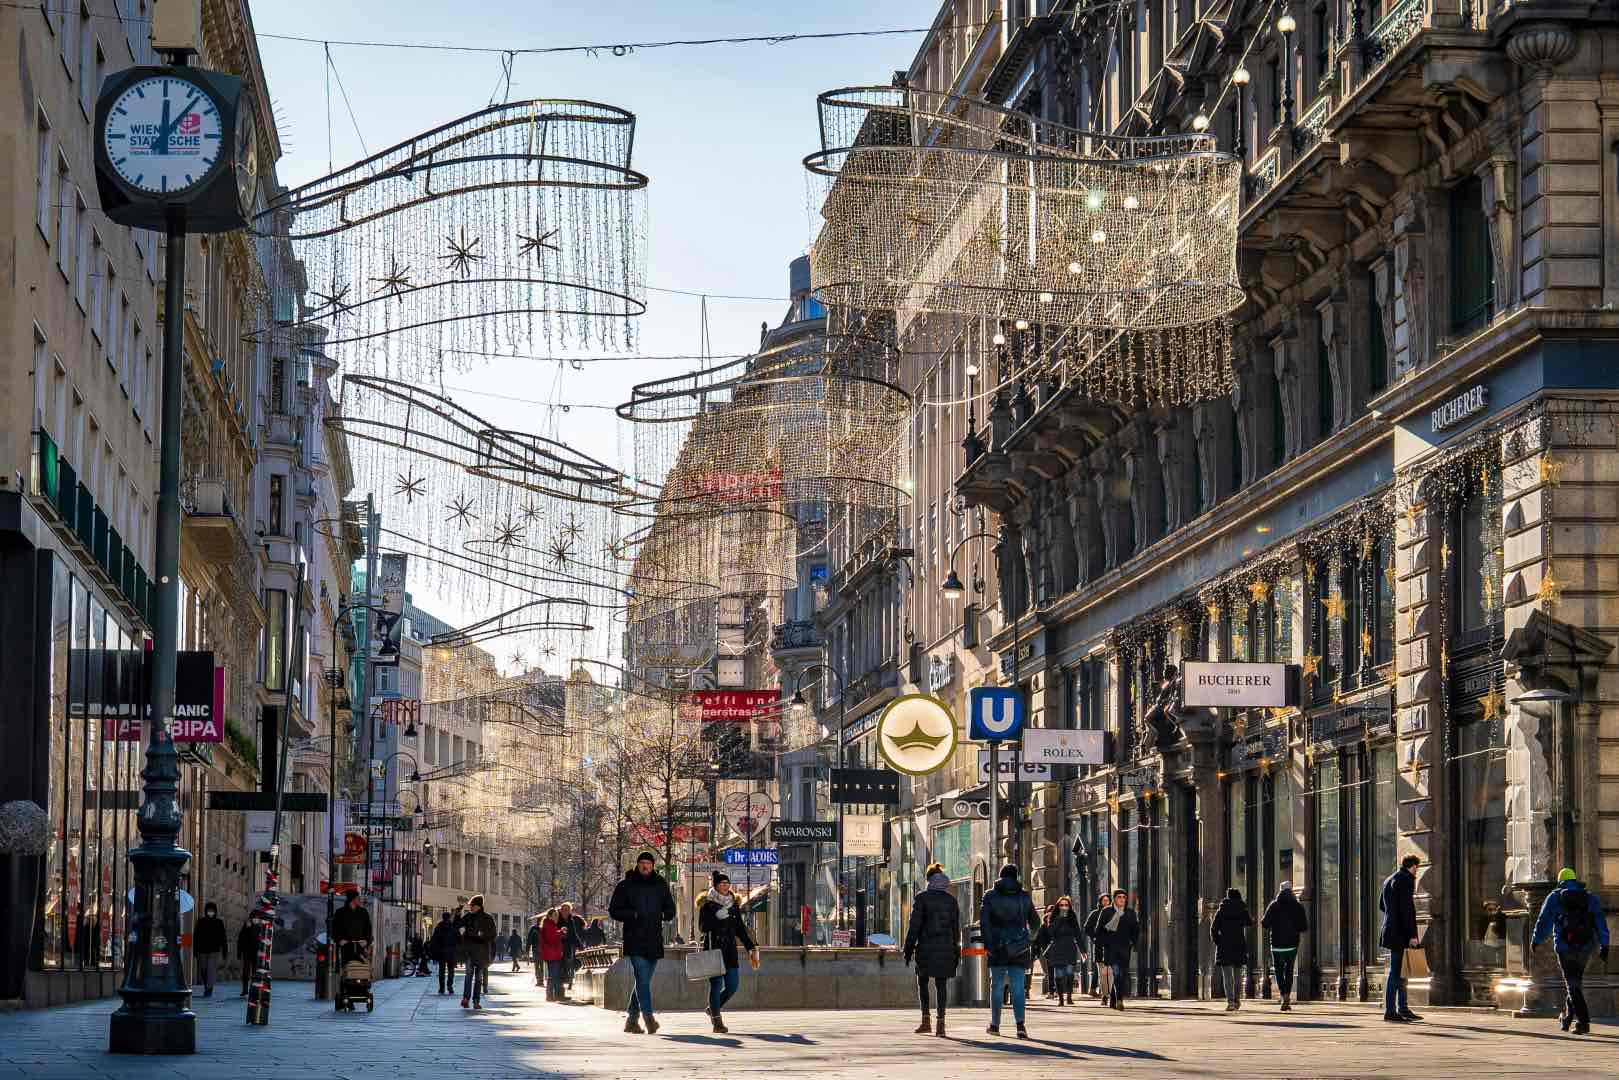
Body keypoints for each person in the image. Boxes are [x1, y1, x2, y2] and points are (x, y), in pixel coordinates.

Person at [1532, 867, 1611, 1035]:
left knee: (1572, 985)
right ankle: (1567, 1018)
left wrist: (1536, 940)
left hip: (1564, 947)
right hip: (1586, 947)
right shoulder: (1590, 897)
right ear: (1575, 880)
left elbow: (1543, 921)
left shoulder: (1554, 897)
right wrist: (1604, 944)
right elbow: (1600, 922)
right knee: (1575, 983)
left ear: (1560, 881)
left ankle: (1583, 1022)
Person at [608, 851, 676, 1034]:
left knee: (642, 981)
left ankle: (631, 1020)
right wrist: (633, 914)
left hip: (654, 938)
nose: (645, 866)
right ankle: (649, 1018)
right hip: (634, 939)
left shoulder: (660, 884)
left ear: (653, 865)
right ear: (637, 865)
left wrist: (662, 915)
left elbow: (671, 909)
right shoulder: (625, 885)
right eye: (642, 863)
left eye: (648, 863)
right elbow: (614, 910)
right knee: (643, 979)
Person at [979, 864, 1040, 1039]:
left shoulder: (989, 896)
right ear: (1016, 877)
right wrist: (1028, 940)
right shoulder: (1024, 896)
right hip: (1019, 947)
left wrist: (989, 945)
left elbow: (984, 923)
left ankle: (995, 1025)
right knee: (1018, 987)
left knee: (997, 986)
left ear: (1000, 877)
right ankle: (1020, 1026)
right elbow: (1036, 923)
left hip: (997, 947)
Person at [902, 862, 960, 1037]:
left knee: (923, 982)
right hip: (945, 947)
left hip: (926, 948)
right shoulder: (951, 900)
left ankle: (925, 1021)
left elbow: (914, 926)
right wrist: (956, 950)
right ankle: (941, 1024)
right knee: (941, 985)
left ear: (928, 880)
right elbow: (955, 929)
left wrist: (908, 948)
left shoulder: (922, 898)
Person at [697, 871, 758, 1033]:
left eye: (727, 883)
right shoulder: (707, 904)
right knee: (716, 985)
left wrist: (750, 946)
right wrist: (716, 917)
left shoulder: (733, 904)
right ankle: (717, 1021)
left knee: (732, 985)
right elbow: (702, 927)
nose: (725, 886)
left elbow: (740, 929)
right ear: (715, 886)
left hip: (730, 951)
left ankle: (713, 1008)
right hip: (714, 949)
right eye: (722, 883)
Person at [1378, 853, 1423, 1023]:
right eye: (1416, 869)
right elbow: (1407, 910)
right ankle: (1391, 1011)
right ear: (1413, 866)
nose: (1416, 872)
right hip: (1400, 933)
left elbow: (1381, 905)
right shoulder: (1406, 879)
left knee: (1402, 971)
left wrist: (1392, 915)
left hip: (1390, 930)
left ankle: (1402, 1008)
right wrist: (1412, 935)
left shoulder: (1389, 879)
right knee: (1396, 973)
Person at [1261, 882, 1309, 1011]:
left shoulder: (1274, 905)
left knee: (1278, 971)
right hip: (1292, 945)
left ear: (1280, 890)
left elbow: (1264, 923)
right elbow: (1304, 926)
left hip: (1276, 944)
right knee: (1289, 971)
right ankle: (1287, 994)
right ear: (1291, 891)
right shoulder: (1297, 906)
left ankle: (1283, 995)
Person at [1034, 895, 1082, 1007]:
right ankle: (1061, 998)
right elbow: (1050, 932)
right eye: (1061, 905)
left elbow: (1078, 934)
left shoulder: (1072, 917)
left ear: (1069, 906)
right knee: (1058, 975)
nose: (1064, 907)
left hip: (1070, 948)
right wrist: (1059, 919)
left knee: (1070, 973)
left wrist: (1083, 950)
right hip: (1057, 948)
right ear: (1058, 906)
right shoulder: (1054, 917)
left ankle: (1069, 996)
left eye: (1066, 905)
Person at [1211, 887, 1252, 1012]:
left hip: (1225, 946)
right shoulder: (1242, 909)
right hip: (1238, 945)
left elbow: (1213, 929)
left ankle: (1230, 1002)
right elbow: (1249, 922)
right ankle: (1237, 999)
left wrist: (1219, 942)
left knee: (1228, 976)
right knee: (1238, 976)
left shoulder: (1221, 910)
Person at [1096, 890, 1139, 1010]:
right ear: (1114, 899)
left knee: (1122, 975)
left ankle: (1113, 1000)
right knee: (1116, 973)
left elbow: (1136, 929)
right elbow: (1099, 931)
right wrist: (1102, 946)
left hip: (1125, 948)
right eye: (1119, 897)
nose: (1122, 899)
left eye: (1124, 897)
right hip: (1111, 949)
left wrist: (1133, 942)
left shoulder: (1130, 912)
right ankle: (1119, 1000)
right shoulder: (1106, 911)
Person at [458, 894, 498, 1010]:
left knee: (478, 978)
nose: (470, 907)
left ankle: (476, 1001)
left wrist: (481, 936)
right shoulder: (468, 917)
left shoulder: (488, 918)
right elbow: (458, 925)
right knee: (469, 975)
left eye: (472, 905)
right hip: (470, 951)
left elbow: (493, 935)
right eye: (470, 905)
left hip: (481, 952)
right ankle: (466, 998)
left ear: (479, 906)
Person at [192, 902, 227, 998]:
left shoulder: (219, 922)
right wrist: (195, 950)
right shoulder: (201, 922)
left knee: (211, 969)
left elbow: (223, 937)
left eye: (212, 911)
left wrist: (224, 950)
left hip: (214, 951)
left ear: (215, 911)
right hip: (202, 950)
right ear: (206, 911)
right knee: (203, 970)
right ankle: (206, 985)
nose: (210, 912)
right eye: (209, 911)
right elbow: (196, 936)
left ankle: (209, 988)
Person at [1081, 893, 1110, 999]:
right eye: (1104, 900)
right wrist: (1094, 937)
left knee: (1105, 969)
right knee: (1100, 968)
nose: (1106, 902)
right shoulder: (1095, 913)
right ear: (1100, 902)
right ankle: (1103, 992)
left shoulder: (1112, 913)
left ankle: (1098, 990)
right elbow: (1087, 928)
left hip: (1111, 945)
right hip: (1099, 944)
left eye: (1107, 900)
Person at [558, 902, 586, 996]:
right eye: (564, 910)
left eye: (567, 910)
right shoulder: (557, 919)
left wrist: (580, 945)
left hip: (568, 948)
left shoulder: (571, 920)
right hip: (558, 947)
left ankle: (561, 992)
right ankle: (559, 993)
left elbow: (574, 934)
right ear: (561, 910)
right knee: (559, 969)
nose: (565, 912)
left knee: (565, 969)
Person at [540, 909, 567, 1002]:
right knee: (554, 975)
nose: (557, 917)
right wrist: (561, 932)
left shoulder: (550, 925)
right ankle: (553, 995)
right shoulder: (549, 925)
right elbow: (551, 938)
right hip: (552, 954)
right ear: (550, 916)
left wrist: (560, 932)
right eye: (555, 915)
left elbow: (552, 937)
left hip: (552, 953)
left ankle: (552, 995)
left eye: (557, 915)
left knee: (554, 975)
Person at [429, 911, 459, 995]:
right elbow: (459, 939)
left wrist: (433, 953)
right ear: (449, 918)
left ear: (442, 917)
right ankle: (450, 986)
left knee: (441, 971)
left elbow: (434, 941)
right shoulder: (453, 927)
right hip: (451, 953)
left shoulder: (439, 927)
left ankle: (442, 988)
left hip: (441, 953)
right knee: (451, 971)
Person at [237, 917, 258, 997]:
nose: (248, 923)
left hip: (255, 953)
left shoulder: (257, 928)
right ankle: (245, 989)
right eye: (247, 922)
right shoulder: (244, 930)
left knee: (254, 972)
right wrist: (239, 952)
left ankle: (253, 989)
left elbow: (258, 940)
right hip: (246, 953)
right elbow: (240, 941)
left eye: (249, 922)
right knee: (246, 971)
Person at [527, 914, 545, 987]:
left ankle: (539, 980)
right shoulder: (543, 928)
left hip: (536, 949)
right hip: (542, 950)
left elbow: (529, 940)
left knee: (537, 965)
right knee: (541, 965)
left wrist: (527, 950)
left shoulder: (533, 928)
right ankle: (541, 980)